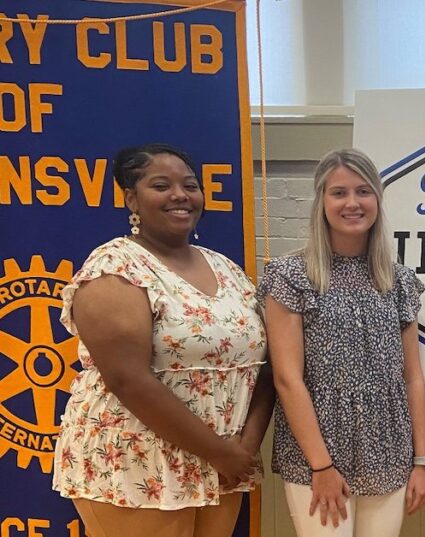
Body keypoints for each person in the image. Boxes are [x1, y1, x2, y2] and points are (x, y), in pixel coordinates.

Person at [53, 144, 275, 537]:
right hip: (136, 463)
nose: (180, 195)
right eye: (161, 185)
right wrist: (221, 452)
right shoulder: (114, 269)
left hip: (223, 462)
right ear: (131, 198)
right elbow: (128, 381)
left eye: (190, 185)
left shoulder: (226, 267)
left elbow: (264, 363)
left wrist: (244, 448)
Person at [259, 148, 425, 537]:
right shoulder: (291, 276)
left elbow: (412, 377)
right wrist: (321, 466)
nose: (352, 203)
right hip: (318, 453)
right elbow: (288, 379)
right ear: (321, 201)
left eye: (363, 191)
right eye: (339, 193)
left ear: (377, 200)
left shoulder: (397, 280)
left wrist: (422, 460)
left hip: (388, 449)